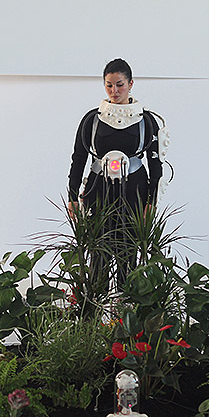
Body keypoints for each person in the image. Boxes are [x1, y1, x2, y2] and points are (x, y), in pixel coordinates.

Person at [67, 58, 169, 289]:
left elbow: (155, 164)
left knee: (128, 251)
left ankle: (128, 301)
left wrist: (151, 202)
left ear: (131, 83)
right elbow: (78, 158)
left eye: (120, 84)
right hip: (98, 190)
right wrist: (73, 196)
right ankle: (96, 299)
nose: (114, 91)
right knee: (98, 251)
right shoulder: (92, 119)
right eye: (109, 85)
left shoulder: (146, 120)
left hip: (134, 191)